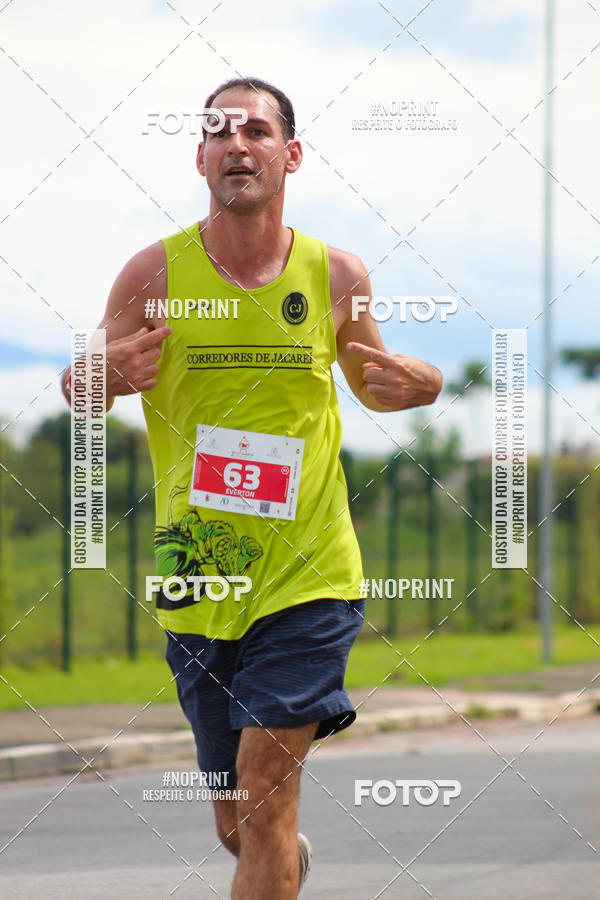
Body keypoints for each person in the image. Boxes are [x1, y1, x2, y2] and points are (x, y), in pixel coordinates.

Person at [61, 76, 442, 898]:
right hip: (199, 567)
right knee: (240, 821)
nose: (238, 144)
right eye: (220, 132)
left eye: (257, 131)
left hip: (311, 571)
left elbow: (375, 383)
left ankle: (276, 851)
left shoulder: (335, 275)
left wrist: (425, 384)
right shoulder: (153, 274)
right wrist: (95, 374)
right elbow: (83, 386)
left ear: (290, 154)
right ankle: (284, 863)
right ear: (200, 157)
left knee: (265, 795)